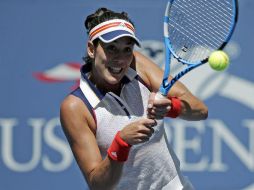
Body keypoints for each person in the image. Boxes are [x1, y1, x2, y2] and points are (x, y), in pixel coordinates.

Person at [60, 7, 208, 190]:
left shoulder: (137, 64)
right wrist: (121, 143)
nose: (120, 60)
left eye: (127, 49)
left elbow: (201, 110)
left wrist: (171, 108)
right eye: (111, 48)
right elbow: (98, 185)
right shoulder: (76, 107)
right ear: (92, 49)